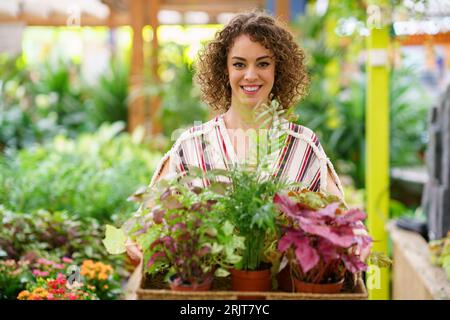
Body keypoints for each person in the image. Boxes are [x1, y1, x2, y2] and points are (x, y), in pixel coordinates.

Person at [126, 10, 344, 265]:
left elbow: (339, 219)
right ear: (224, 70)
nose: (250, 75)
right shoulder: (192, 144)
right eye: (239, 64)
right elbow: (148, 218)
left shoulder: (302, 146)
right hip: (208, 291)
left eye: (263, 63)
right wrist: (135, 239)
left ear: (278, 69)